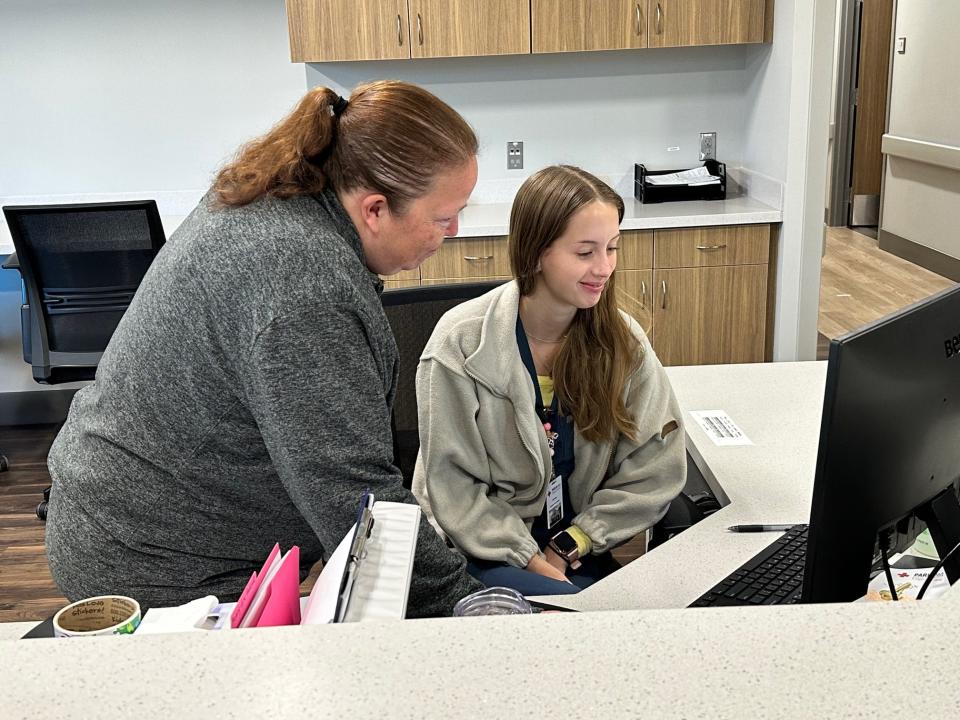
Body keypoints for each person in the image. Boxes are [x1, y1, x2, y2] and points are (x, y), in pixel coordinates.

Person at [45, 81, 485, 616]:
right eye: (443, 217)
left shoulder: (279, 196)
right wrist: (470, 609)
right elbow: (352, 494)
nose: (455, 230)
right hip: (158, 558)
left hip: (135, 511)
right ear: (374, 209)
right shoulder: (304, 284)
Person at [412, 165, 686, 595]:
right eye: (585, 253)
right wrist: (531, 559)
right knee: (584, 626)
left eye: (612, 248)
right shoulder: (460, 344)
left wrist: (573, 542)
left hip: (575, 547)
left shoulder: (622, 341)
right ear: (536, 252)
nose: (604, 268)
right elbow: (454, 490)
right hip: (481, 549)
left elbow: (655, 467)